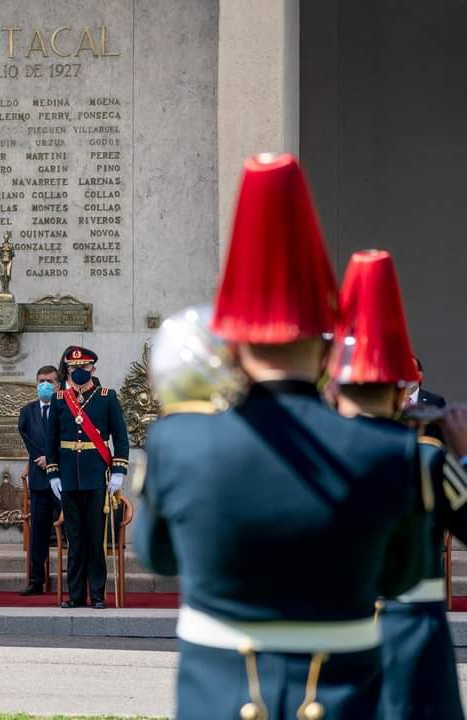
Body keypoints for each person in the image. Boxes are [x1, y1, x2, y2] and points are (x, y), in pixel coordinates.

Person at [133, 153, 427, 720]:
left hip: (218, 695)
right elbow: (401, 575)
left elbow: (160, 556)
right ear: (327, 347)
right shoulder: (391, 451)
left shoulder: (178, 442)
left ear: (234, 345)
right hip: (343, 694)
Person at [328, 250, 467, 720]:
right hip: (412, 642)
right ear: (399, 392)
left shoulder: (312, 460)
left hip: (333, 632)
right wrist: (462, 454)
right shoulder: (426, 461)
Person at [44, 347, 129, 609]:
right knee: (75, 539)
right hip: (69, 478)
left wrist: (118, 470)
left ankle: (98, 594)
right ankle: (76, 594)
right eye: (72, 369)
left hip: (96, 478)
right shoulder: (60, 399)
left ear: (93, 369)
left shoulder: (106, 397)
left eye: (84, 368)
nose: (78, 372)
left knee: (95, 539)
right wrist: (53, 473)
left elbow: (121, 438)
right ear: (67, 370)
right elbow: (51, 440)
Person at [17, 365, 61, 596]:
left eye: (49, 381)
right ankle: (36, 580)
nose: (44, 385)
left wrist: (52, 458)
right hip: (39, 478)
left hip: (62, 480)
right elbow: (25, 435)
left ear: (58, 384)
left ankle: (74, 578)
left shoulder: (64, 407)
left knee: (71, 528)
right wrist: (38, 457)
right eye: (40, 381)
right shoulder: (28, 411)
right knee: (38, 533)